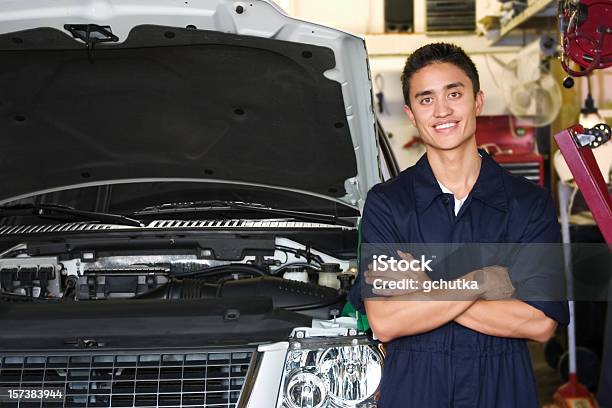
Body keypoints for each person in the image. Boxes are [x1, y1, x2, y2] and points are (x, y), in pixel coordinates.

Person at [348, 43, 569, 407]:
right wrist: (478, 282)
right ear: (411, 114)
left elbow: (539, 323)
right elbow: (386, 321)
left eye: (454, 93)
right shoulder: (388, 204)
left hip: (503, 389)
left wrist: (425, 289)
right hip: (416, 389)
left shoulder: (528, 204)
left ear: (477, 100)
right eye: (426, 99)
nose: (442, 110)